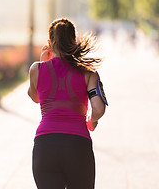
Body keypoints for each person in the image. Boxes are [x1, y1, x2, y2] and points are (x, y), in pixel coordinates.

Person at [28, 18, 107, 189]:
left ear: (49, 43)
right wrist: (91, 121)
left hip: (45, 145)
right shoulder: (88, 73)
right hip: (77, 144)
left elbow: (35, 97)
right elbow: (98, 109)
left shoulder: (37, 69)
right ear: (74, 41)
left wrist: (43, 62)